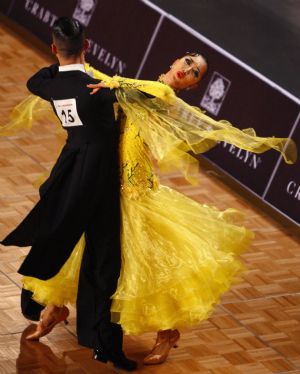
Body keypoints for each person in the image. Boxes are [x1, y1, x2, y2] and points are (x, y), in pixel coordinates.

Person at [1, 27, 296, 367]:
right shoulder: (137, 86)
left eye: (195, 72)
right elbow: (103, 78)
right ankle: (56, 308)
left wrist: (109, 82)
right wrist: (81, 71)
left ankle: (167, 333)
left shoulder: (162, 93)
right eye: (187, 61)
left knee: (151, 269)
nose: (188, 69)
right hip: (111, 184)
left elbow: (122, 84)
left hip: (138, 193)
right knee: (85, 251)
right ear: (175, 60)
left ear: (192, 85)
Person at [0, 17, 136, 372]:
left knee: (58, 239)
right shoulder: (98, 88)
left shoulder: (52, 84)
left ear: (53, 48)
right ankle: (104, 344)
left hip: (70, 176)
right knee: (104, 262)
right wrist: (104, 78)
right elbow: (139, 94)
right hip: (101, 182)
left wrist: (64, 65)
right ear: (87, 46)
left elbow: (36, 80)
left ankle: (36, 302)